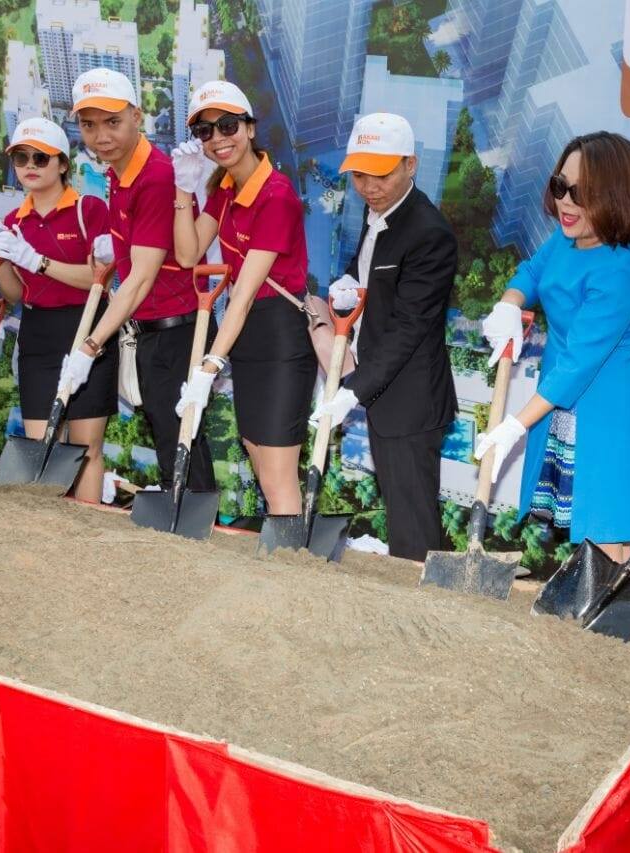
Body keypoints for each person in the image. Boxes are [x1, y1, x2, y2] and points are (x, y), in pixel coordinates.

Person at [475, 132, 630, 562]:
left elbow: (581, 362)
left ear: (615, 195)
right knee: (584, 526)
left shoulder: (624, 267)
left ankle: (602, 601)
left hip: (611, 413)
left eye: (581, 193)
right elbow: (531, 272)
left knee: (605, 527)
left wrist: (514, 426)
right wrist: (510, 303)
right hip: (562, 401)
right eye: (560, 186)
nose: (565, 202)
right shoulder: (566, 238)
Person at [58, 68, 217, 498]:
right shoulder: (118, 172)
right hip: (152, 330)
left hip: (178, 331)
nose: (101, 136)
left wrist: (89, 346)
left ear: (137, 116)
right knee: (169, 435)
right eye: (88, 125)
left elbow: (142, 278)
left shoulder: (156, 176)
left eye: (112, 122)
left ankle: (194, 525)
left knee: (181, 438)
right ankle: (184, 517)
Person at [308, 113, 458, 561]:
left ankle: (421, 595)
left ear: (410, 165)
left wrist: (352, 390)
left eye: (382, 175)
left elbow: (410, 327)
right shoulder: (380, 212)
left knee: (412, 524)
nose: (369, 187)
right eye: (359, 176)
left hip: (411, 402)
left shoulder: (429, 234)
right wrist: (349, 283)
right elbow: (371, 269)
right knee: (401, 511)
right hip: (387, 396)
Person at [169, 81, 315, 516]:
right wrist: (183, 190)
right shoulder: (226, 188)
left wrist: (209, 366)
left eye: (228, 126)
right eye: (205, 131)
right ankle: (283, 549)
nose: (217, 138)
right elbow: (188, 253)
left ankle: (291, 554)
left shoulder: (276, 195)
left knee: (278, 475)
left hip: (280, 338)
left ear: (250, 128)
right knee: (258, 458)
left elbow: (245, 294)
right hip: (247, 339)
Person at [0, 117, 115, 503]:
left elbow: (98, 280)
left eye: (40, 158)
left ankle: (87, 528)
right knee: (42, 446)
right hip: (38, 333)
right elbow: (16, 294)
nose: (30, 166)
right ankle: (50, 530)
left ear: (62, 164)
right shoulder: (14, 222)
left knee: (86, 449)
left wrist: (37, 261)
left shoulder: (89, 210)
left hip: (87, 330)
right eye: (21, 158)